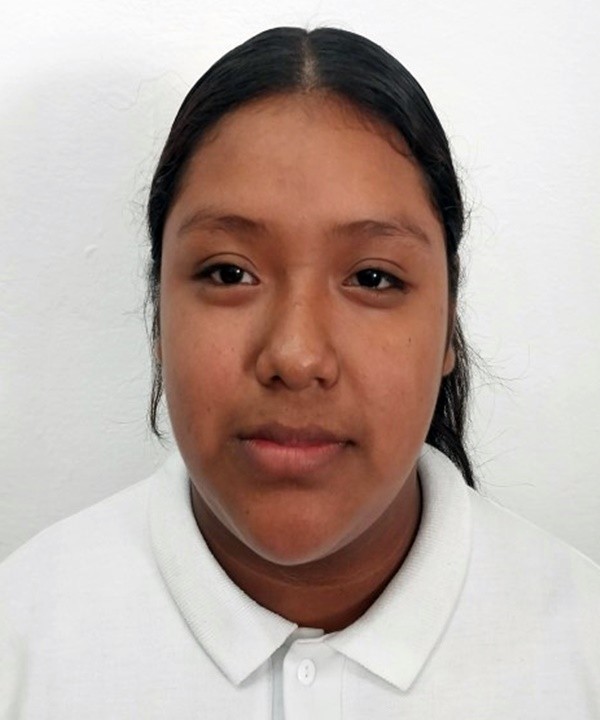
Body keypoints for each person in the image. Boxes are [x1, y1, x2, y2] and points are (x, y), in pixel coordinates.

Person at [1, 26, 598, 719]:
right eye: (229, 273)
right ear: (158, 313)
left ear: (448, 324)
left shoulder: (579, 650)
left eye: (372, 278)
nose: (296, 356)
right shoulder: (24, 641)